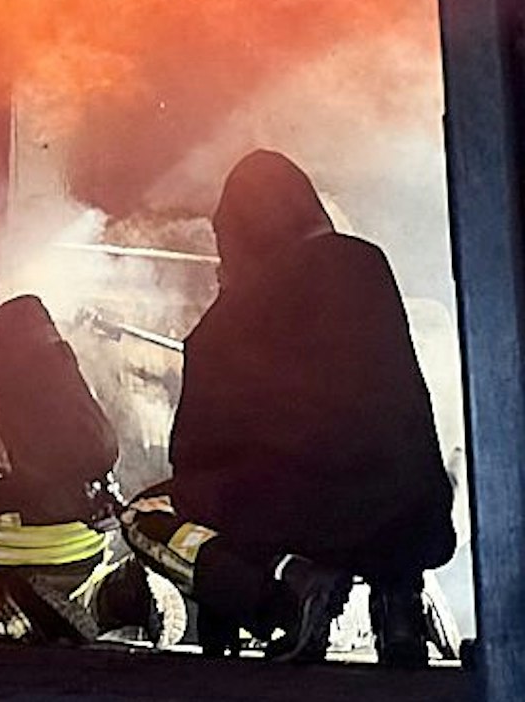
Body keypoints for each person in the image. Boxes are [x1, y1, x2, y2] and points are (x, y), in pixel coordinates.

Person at [120, 151, 455, 664]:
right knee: (383, 481)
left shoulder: (239, 308)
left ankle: (288, 594)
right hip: (413, 514)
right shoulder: (368, 265)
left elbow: (193, 449)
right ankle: (399, 609)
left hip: (310, 518)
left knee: (146, 514)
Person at [0, 235, 149, 643]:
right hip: (85, 541)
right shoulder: (30, 335)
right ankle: (111, 596)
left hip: (1, 548)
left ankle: (12, 615)